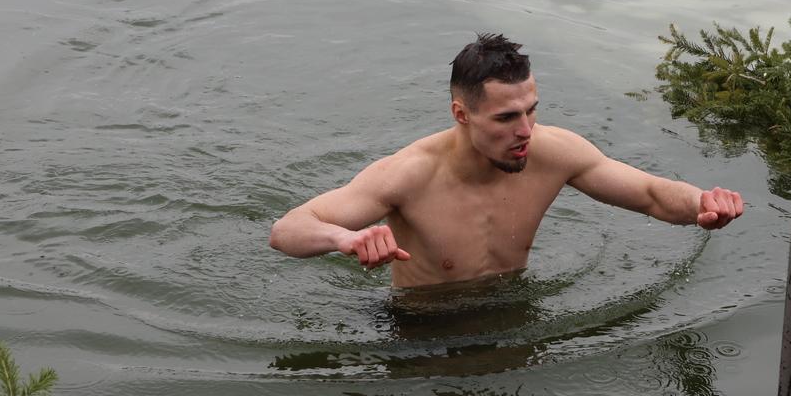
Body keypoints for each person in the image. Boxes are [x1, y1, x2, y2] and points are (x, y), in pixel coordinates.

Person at [268, 33, 745, 288]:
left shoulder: (553, 151)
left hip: (513, 312)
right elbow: (286, 231)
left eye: (531, 110)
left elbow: (649, 195)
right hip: (420, 330)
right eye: (506, 118)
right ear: (462, 114)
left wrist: (702, 202)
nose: (525, 131)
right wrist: (346, 238)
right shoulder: (410, 175)